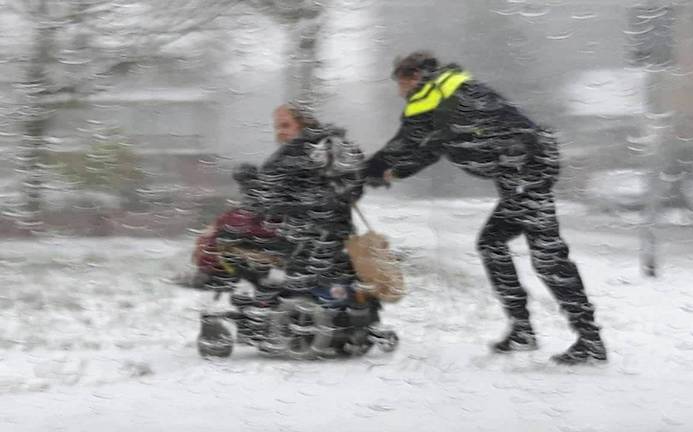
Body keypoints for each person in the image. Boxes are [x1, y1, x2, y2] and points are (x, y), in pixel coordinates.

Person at [365, 51, 607, 364]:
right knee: (493, 243)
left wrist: (364, 170)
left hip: (524, 173)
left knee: (547, 258)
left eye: (399, 82)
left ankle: (588, 340)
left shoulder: (432, 97)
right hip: (524, 170)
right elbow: (429, 150)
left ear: (412, 77)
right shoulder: (449, 93)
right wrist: (392, 174)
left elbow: (405, 144)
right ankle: (526, 330)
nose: (398, 92)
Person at [244, 103, 367, 299]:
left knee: (295, 297)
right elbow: (351, 189)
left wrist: (250, 187)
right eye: (277, 127)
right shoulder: (330, 147)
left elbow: (263, 200)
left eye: (285, 126)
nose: (280, 132)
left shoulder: (297, 154)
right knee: (334, 297)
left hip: (304, 242)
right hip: (333, 239)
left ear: (304, 124)